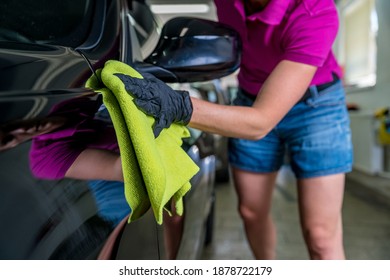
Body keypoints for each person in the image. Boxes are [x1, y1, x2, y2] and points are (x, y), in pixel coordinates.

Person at [118, 0, 353, 260]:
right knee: (251, 213)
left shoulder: (316, 11)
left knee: (320, 235)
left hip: (316, 107)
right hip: (250, 96)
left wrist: (176, 105)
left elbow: (260, 122)